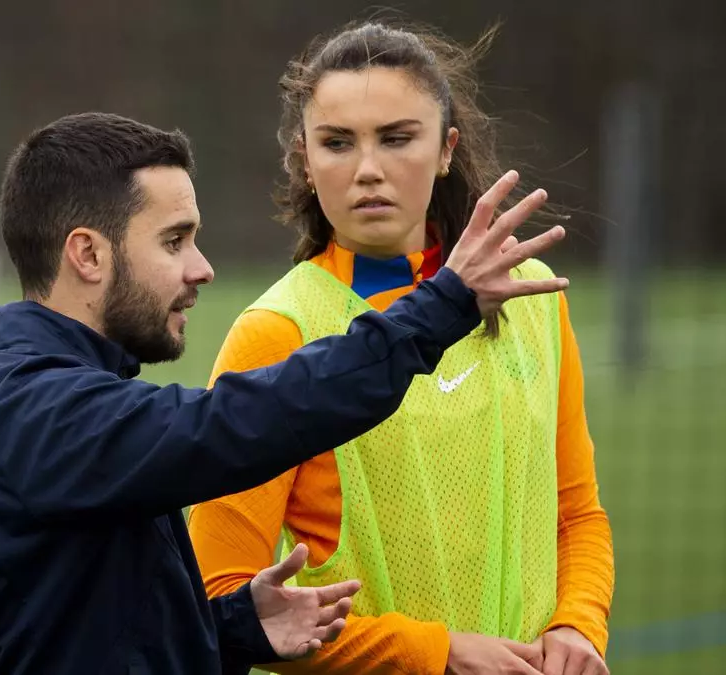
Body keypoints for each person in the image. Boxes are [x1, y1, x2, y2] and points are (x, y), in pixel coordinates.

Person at [0, 111, 570, 675]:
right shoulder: (34, 416)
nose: (202, 267)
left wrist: (235, 629)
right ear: (87, 255)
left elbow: (94, 640)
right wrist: (439, 307)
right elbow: (238, 422)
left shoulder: (39, 408)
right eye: (174, 240)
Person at [188, 20, 614, 675]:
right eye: (337, 143)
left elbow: (576, 514)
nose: (368, 170)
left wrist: (577, 625)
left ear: (446, 149)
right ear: (304, 158)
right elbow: (221, 599)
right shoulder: (278, 330)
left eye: (396, 138)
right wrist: (432, 655)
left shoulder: (532, 296)